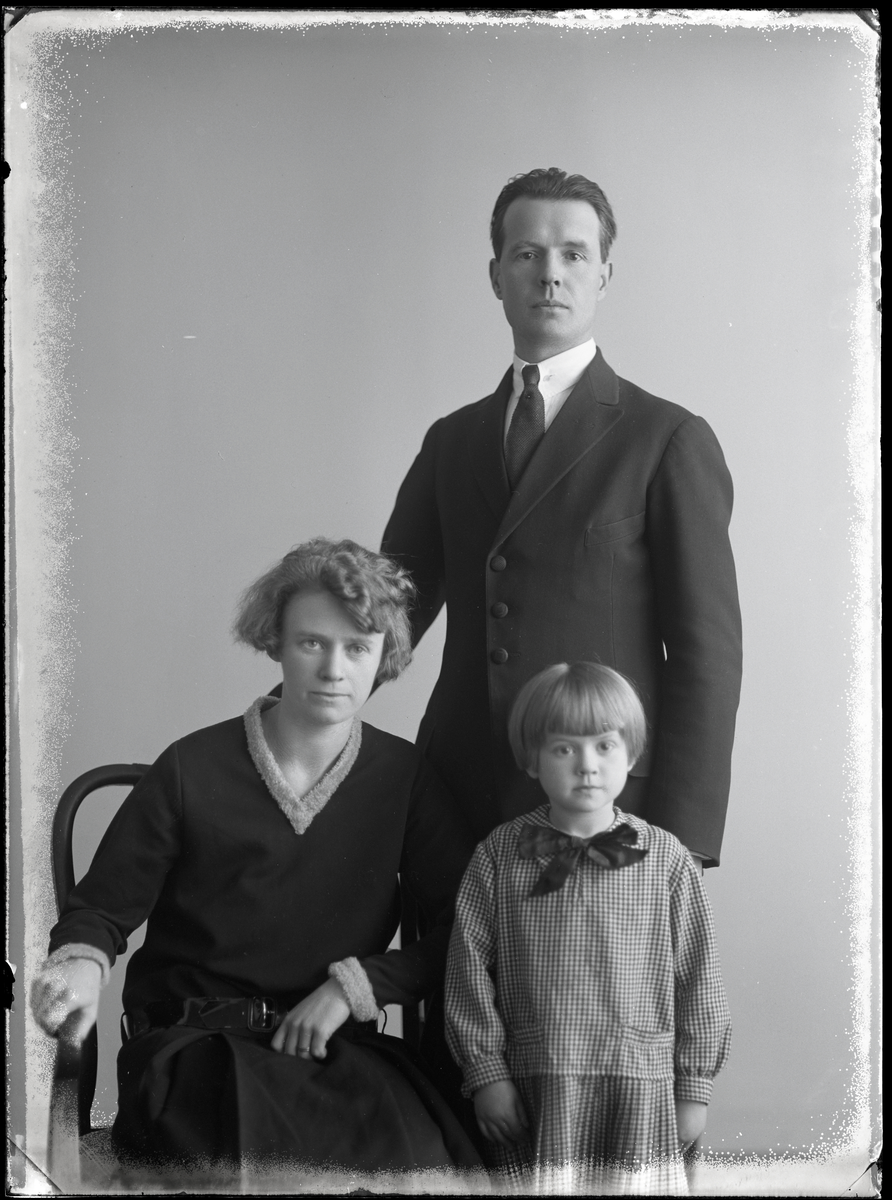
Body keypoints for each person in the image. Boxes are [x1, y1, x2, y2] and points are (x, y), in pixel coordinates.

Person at [30, 538, 482, 1182]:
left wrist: (357, 987)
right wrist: (79, 963)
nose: (334, 669)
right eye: (312, 643)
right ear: (275, 641)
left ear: (384, 655)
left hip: (335, 1051)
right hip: (194, 1053)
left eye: (357, 648)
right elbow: (101, 910)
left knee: (426, 1172)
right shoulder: (190, 767)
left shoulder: (404, 777)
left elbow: (467, 929)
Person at [382, 167, 742, 869]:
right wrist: (285, 718)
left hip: (604, 811)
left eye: (573, 254)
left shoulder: (666, 438)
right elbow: (386, 614)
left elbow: (708, 655)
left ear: (603, 275)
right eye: (527, 254)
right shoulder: (451, 441)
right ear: (496, 276)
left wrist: (678, 842)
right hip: (453, 803)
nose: (550, 274)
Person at [445, 662, 731, 1195]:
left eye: (604, 746)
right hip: (538, 1089)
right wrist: (486, 1074)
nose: (587, 766)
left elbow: (700, 979)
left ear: (631, 754)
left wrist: (694, 1086)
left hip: (643, 1091)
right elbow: (467, 972)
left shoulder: (666, 859)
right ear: (531, 759)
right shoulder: (499, 856)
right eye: (563, 749)